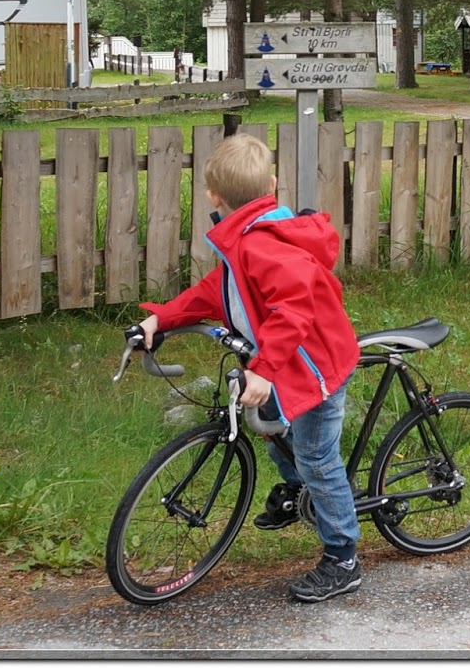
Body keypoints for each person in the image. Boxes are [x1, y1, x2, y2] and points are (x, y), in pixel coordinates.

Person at [134, 133, 363, 603]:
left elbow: (293, 310)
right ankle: (301, 493)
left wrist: (262, 369)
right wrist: (162, 318)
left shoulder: (263, 246)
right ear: (272, 185)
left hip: (313, 368)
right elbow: (217, 291)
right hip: (285, 364)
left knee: (318, 458)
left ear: (213, 196)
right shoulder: (245, 240)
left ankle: (342, 556)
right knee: (276, 432)